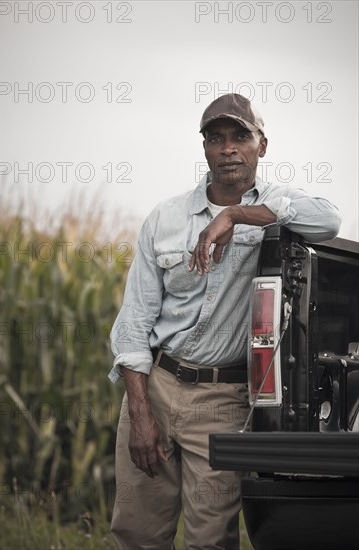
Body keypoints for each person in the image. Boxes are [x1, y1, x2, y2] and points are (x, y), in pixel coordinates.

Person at [108, 93, 341, 550]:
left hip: (225, 399)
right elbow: (134, 323)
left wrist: (237, 215)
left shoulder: (277, 203)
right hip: (155, 385)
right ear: (205, 149)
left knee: (209, 540)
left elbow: (328, 220)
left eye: (240, 136)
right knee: (136, 534)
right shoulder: (165, 218)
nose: (228, 148)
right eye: (216, 138)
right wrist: (139, 412)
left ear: (262, 145)